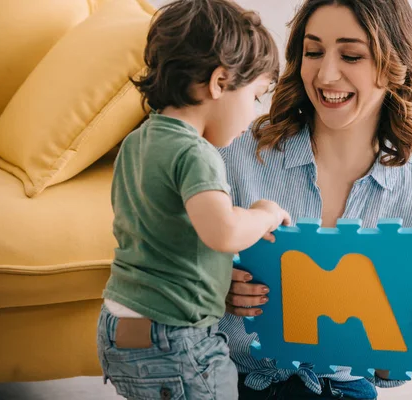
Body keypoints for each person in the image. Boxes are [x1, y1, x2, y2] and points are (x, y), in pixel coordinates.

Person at [219, 0, 412, 399]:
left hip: (346, 388)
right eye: (313, 52)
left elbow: (388, 369)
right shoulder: (236, 158)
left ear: (394, 64)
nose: (326, 74)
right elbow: (174, 286)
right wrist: (215, 289)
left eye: (351, 55)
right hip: (233, 382)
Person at [96, 1, 289, 399]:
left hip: (118, 325)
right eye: (255, 96)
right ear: (220, 83)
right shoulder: (196, 153)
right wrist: (264, 214)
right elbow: (223, 232)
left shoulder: (138, 142)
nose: (254, 113)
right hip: (176, 338)